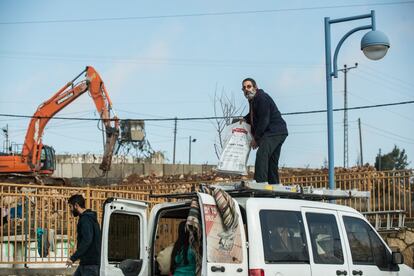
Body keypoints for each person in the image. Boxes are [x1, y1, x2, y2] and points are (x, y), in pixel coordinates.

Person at [242, 78, 288, 184]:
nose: (246, 90)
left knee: (262, 154)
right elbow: (255, 115)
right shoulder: (254, 100)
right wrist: (245, 119)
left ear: (255, 87)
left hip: (273, 131)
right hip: (279, 131)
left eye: (249, 86)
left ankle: (260, 183)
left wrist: (256, 139)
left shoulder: (261, 98)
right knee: (271, 161)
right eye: (244, 88)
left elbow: (264, 119)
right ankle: (274, 185)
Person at [66, 194, 101, 276]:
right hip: (86, 263)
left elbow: (87, 240)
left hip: (90, 265)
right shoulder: (89, 218)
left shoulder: (85, 219)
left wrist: (73, 258)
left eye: (70, 207)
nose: (70, 210)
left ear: (76, 205)